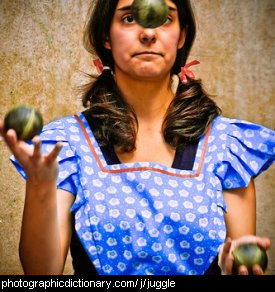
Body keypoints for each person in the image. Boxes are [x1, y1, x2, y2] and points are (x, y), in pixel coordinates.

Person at [0, 0, 274, 275]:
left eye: (164, 18)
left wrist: (237, 264)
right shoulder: (66, 145)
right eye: (130, 18)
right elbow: (41, 274)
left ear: (182, 36)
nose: (148, 33)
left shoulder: (228, 147)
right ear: (106, 36)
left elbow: (241, 259)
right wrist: (40, 185)